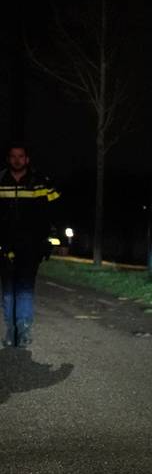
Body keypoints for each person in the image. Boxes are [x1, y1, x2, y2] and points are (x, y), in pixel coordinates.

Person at [0, 144, 60, 348]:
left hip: (31, 245)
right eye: (13, 156)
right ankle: (10, 330)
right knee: (8, 290)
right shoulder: (0, 180)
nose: (17, 160)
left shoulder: (41, 182)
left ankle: (24, 330)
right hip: (4, 245)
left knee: (24, 289)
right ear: (9, 159)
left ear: (27, 159)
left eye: (21, 156)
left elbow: (55, 212)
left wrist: (51, 240)